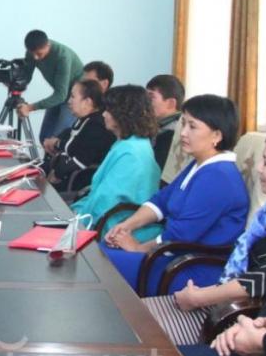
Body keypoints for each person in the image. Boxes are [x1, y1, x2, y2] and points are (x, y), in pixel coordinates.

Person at [144, 128, 266, 346]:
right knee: (135, 316)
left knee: (143, 331)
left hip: (247, 319)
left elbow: (259, 281)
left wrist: (197, 298)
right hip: (227, 298)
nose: (258, 168)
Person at [103, 95, 250, 293]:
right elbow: (161, 201)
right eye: (183, 124)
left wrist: (138, 248)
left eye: (192, 126)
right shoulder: (200, 165)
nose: (183, 133)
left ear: (216, 135)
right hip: (174, 257)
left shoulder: (218, 177)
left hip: (191, 269)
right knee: (98, 253)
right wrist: (126, 226)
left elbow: (182, 235)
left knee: (99, 261)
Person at [70, 85, 160, 234]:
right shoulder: (130, 143)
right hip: (108, 219)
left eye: (108, 110)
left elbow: (105, 201)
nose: (103, 114)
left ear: (123, 115)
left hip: (114, 227)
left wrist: (73, 222)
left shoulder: (131, 153)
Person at [41, 79, 116, 192]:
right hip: (67, 175)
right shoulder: (84, 120)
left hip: (77, 183)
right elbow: (71, 142)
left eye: (72, 97)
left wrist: (56, 173)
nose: (69, 101)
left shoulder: (96, 126)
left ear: (87, 102)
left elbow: (79, 157)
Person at [16, 30, 84, 142]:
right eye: (32, 53)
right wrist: (16, 83)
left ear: (48, 45)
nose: (35, 58)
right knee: (44, 137)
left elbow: (61, 95)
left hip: (75, 97)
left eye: (39, 54)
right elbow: (27, 77)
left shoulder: (62, 56)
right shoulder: (32, 52)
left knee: (58, 140)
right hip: (60, 93)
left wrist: (30, 107)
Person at [146, 74, 185, 172]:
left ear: (171, 103)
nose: (145, 103)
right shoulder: (156, 126)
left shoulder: (173, 133)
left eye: (151, 98)